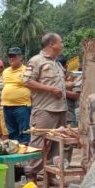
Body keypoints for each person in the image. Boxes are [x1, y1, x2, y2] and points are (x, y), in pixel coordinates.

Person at [23, 33, 79, 180]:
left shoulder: (57, 63)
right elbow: (27, 81)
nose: (62, 45)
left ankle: (50, 176)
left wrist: (73, 84)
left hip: (60, 109)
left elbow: (58, 85)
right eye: (60, 42)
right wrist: (50, 90)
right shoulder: (36, 61)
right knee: (39, 144)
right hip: (44, 111)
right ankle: (31, 176)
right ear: (51, 44)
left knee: (55, 146)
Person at [1, 47, 32, 145]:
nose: (11, 58)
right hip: (6, 106)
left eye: (13, 56)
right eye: (9, 56)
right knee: (12, 133)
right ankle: (16, 155)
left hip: (22, 106)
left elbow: (32, 86)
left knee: (24, 132)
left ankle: (25, 156)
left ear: (20, 57)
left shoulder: (26, 70)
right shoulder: (5, 71)